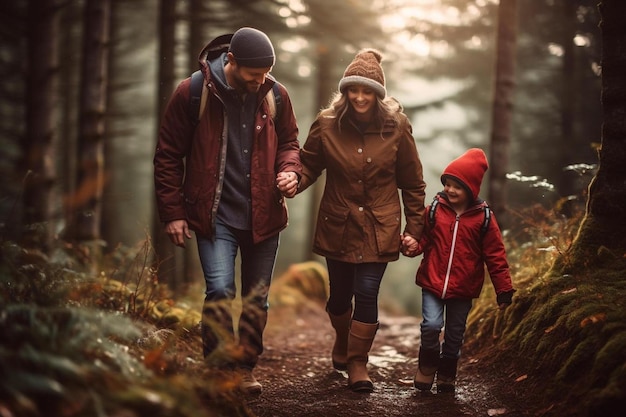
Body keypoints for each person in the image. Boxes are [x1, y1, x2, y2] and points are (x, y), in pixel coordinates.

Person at [153, 27, 302, 395]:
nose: (262, 80)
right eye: (255, 73)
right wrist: (173, 213)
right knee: (219, 290)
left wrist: (290, 170)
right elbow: (169, 154)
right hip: (214, 214)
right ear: (231, 62)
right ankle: (220, 370)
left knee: (257, 297)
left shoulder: (275, 95)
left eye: (267, 72)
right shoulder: (193, 93)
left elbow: (290, 142)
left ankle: (245, 367)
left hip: (264, 215)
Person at [279, 48, 426, 393]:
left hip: (380, 226)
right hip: (338, 223)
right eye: (353, 90)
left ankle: (358, 362)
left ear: (378, 93)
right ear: (345, 92)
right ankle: (342, 340)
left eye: (367, 90)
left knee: (367, 291)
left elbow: (413, 181)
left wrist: (415, 228)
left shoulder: (397, 126)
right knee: (340, 297)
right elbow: (309, 164)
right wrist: (294, 181)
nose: (360, 97)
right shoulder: (327, 124)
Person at [402, 148, 515, 393]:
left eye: (457, 186)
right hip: (432, 282)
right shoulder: (434, 209)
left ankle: (447, 374)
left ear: (471, 190)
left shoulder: (483, 218)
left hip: (464, 288)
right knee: (431, 326)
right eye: (448, 184)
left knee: (454, 333)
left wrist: (503, 289)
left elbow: (495, 255)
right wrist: (411, 246)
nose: (450, 190)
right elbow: (423, 240)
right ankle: (427, 365)